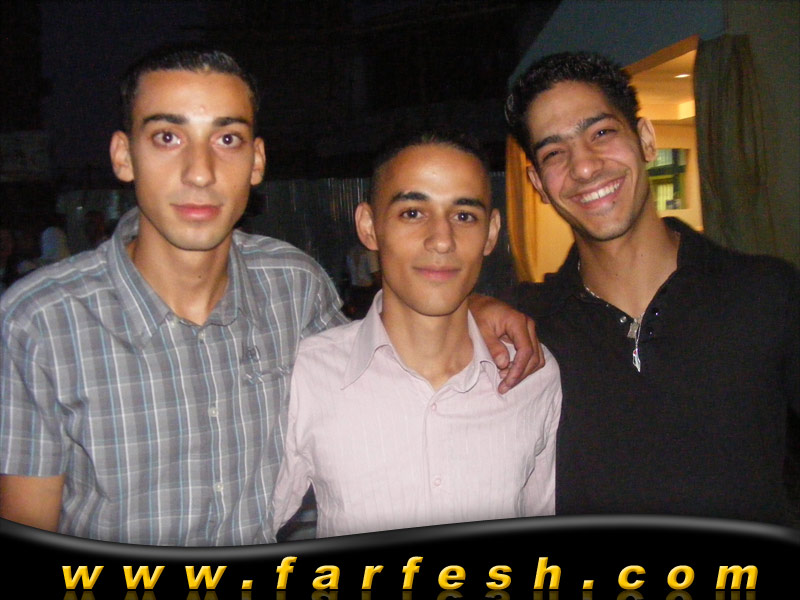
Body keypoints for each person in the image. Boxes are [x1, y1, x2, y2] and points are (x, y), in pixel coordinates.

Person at [0, 44, 541, 546]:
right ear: (123, 156)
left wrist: (471, 303)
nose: (200, 172)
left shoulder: (292, 286)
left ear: (257, 161)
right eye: (167, 137)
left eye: (227, 139)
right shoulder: (39, 325)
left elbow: (383, 359)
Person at [504, 51, 800, 525]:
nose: (584, 167)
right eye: (555, 153)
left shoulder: (767, 293)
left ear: (645, 139)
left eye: (602, 133)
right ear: (538, 183)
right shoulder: (525, 328)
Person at [270, 130, 562, 538]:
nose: (441, 240)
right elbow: (251, 525)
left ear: (492, 232)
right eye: (412, 213)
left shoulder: (533, 375)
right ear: (369, 226)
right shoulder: (308, 375)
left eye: (464, 216)